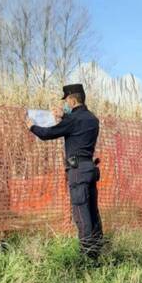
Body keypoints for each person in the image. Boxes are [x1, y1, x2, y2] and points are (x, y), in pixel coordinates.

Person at [26, 84, 103, 259]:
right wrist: (65, 116)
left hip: (77, 172)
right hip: (90, 169)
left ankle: (88, 258)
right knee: (92, 212)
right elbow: (77, 126)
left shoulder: (72, 120)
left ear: (72, 100)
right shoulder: (93, 119)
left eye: (66, 101)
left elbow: (47, 134)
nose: (65, 104)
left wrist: (32, 126)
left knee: (81, 215)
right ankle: (98, 251)